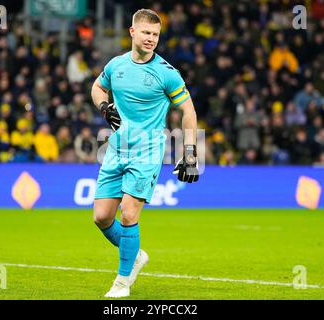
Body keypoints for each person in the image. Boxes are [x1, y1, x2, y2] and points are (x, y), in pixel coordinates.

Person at [90, 8, 199, 298]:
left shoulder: (166, 73)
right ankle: (136, 255)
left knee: (128, 213)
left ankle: (122, 283)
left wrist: (189, 152)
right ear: (132, 32)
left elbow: (188, 111)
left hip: (147, 152)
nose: (151, 39)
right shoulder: (116, 66)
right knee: (101, 217)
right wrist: (104, 106)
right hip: (115, 149)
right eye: (147, 33)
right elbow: (97, 88)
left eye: (156, 34)